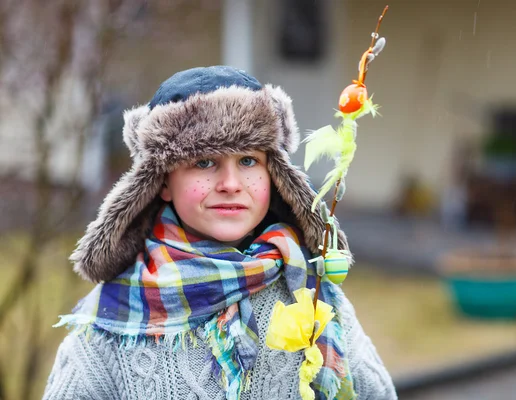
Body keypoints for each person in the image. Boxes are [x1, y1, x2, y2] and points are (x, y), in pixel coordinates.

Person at [43, 66, 397, 400]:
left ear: (274, 174)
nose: (230, 184)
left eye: (248, 161)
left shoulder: (313, 292)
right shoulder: (111, 321)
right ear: (162, 180)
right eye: (203, 162)